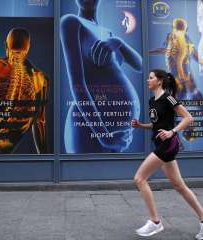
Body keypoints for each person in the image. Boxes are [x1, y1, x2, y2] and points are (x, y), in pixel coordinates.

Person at [131, 69, 203, 240]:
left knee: (139, 179)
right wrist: (141, 125)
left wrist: (172, 132)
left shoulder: (169, 98)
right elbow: (156, 125)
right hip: (161, 144)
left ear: (160, 81)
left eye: (151, 78)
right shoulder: (152, 101)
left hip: (168, 145)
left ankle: (155, 222)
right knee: (179, 186)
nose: (148, 80)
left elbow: (188, 118)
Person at [60, 0, 142, 153]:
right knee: (84, 175)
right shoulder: (71, 22)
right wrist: (104, 136)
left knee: (109, 176)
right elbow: (77, 83)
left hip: (118, 134)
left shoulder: (108, 33)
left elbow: (141, 65)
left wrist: (119, 42)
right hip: (90, 127)